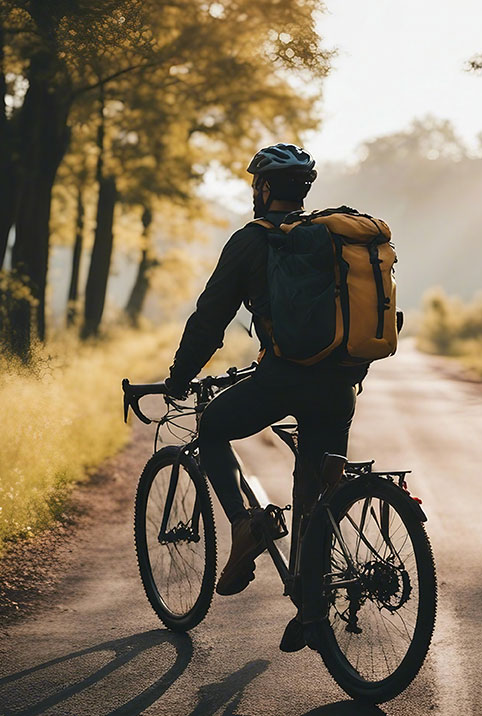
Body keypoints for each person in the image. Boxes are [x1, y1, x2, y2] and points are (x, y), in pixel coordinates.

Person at [165, 143, 369, 651]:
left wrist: (179, 376)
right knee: (317, 491)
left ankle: (246, 524)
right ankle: (311, 606)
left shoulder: (252, 242)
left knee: (212, 425)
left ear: (261, 189)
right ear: (304, 191)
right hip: (341, 383)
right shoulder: (333, 237)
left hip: (284, 378)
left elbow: (211, 318)